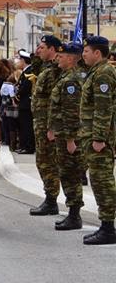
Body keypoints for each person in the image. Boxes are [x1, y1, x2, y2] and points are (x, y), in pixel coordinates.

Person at [78, 35, 116, 245]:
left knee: (103, 181)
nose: (83, 54)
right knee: (98, 180)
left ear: (97, 53)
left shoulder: (103, 74)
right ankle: (106, 225)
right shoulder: (97, 72)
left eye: (86, 51)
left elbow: (104, 108)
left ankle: (109, 228)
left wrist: (99, 137)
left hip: (99, 138)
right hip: (92, 135)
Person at [46, 41, 85, 231]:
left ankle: (74, 215)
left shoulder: (71, 81)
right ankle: (73, 213)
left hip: (69, 136)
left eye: (61, 56)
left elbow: (71, 112)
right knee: (67, 173)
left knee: (70, 174)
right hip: (62, 134)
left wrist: (70, 139)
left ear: (70, 58)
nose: (57, 58)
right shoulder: (67, 77)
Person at [29, 36, 64, 216]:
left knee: (47, 162)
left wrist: (52, 126)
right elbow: (33, 70)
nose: (38, 50)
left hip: (48, 124)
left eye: (42, 47)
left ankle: (51, 200)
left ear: (52, 49)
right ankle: (50, 198)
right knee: (42, 161)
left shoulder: (58, 70)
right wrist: (36, 56)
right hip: (41, 122)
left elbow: (55, 101)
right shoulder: (45, 67)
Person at [16, 50, 36, 153]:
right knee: (23, 126)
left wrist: (18, 91)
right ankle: (23, 145)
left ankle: (28, 147)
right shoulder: (25, 71)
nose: (17, 62)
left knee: (27, 126)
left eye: (19, 59)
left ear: (23, 60)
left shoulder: (29, 72)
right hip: (23, 103)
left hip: (26, 103)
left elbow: (25, 87)